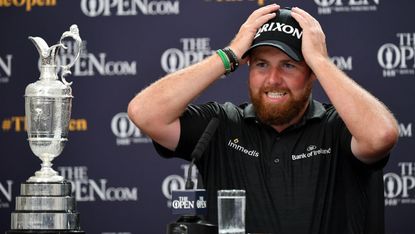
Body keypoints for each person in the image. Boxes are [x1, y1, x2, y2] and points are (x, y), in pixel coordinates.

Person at [128, 4, 399, 234]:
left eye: (289, 65)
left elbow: (381, 136)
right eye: (261, 64)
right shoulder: (220, 125)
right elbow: (144, 112)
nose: (272, 79)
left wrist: (321, 60)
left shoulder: (338, 127)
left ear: (312, 72)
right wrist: (230, 53)